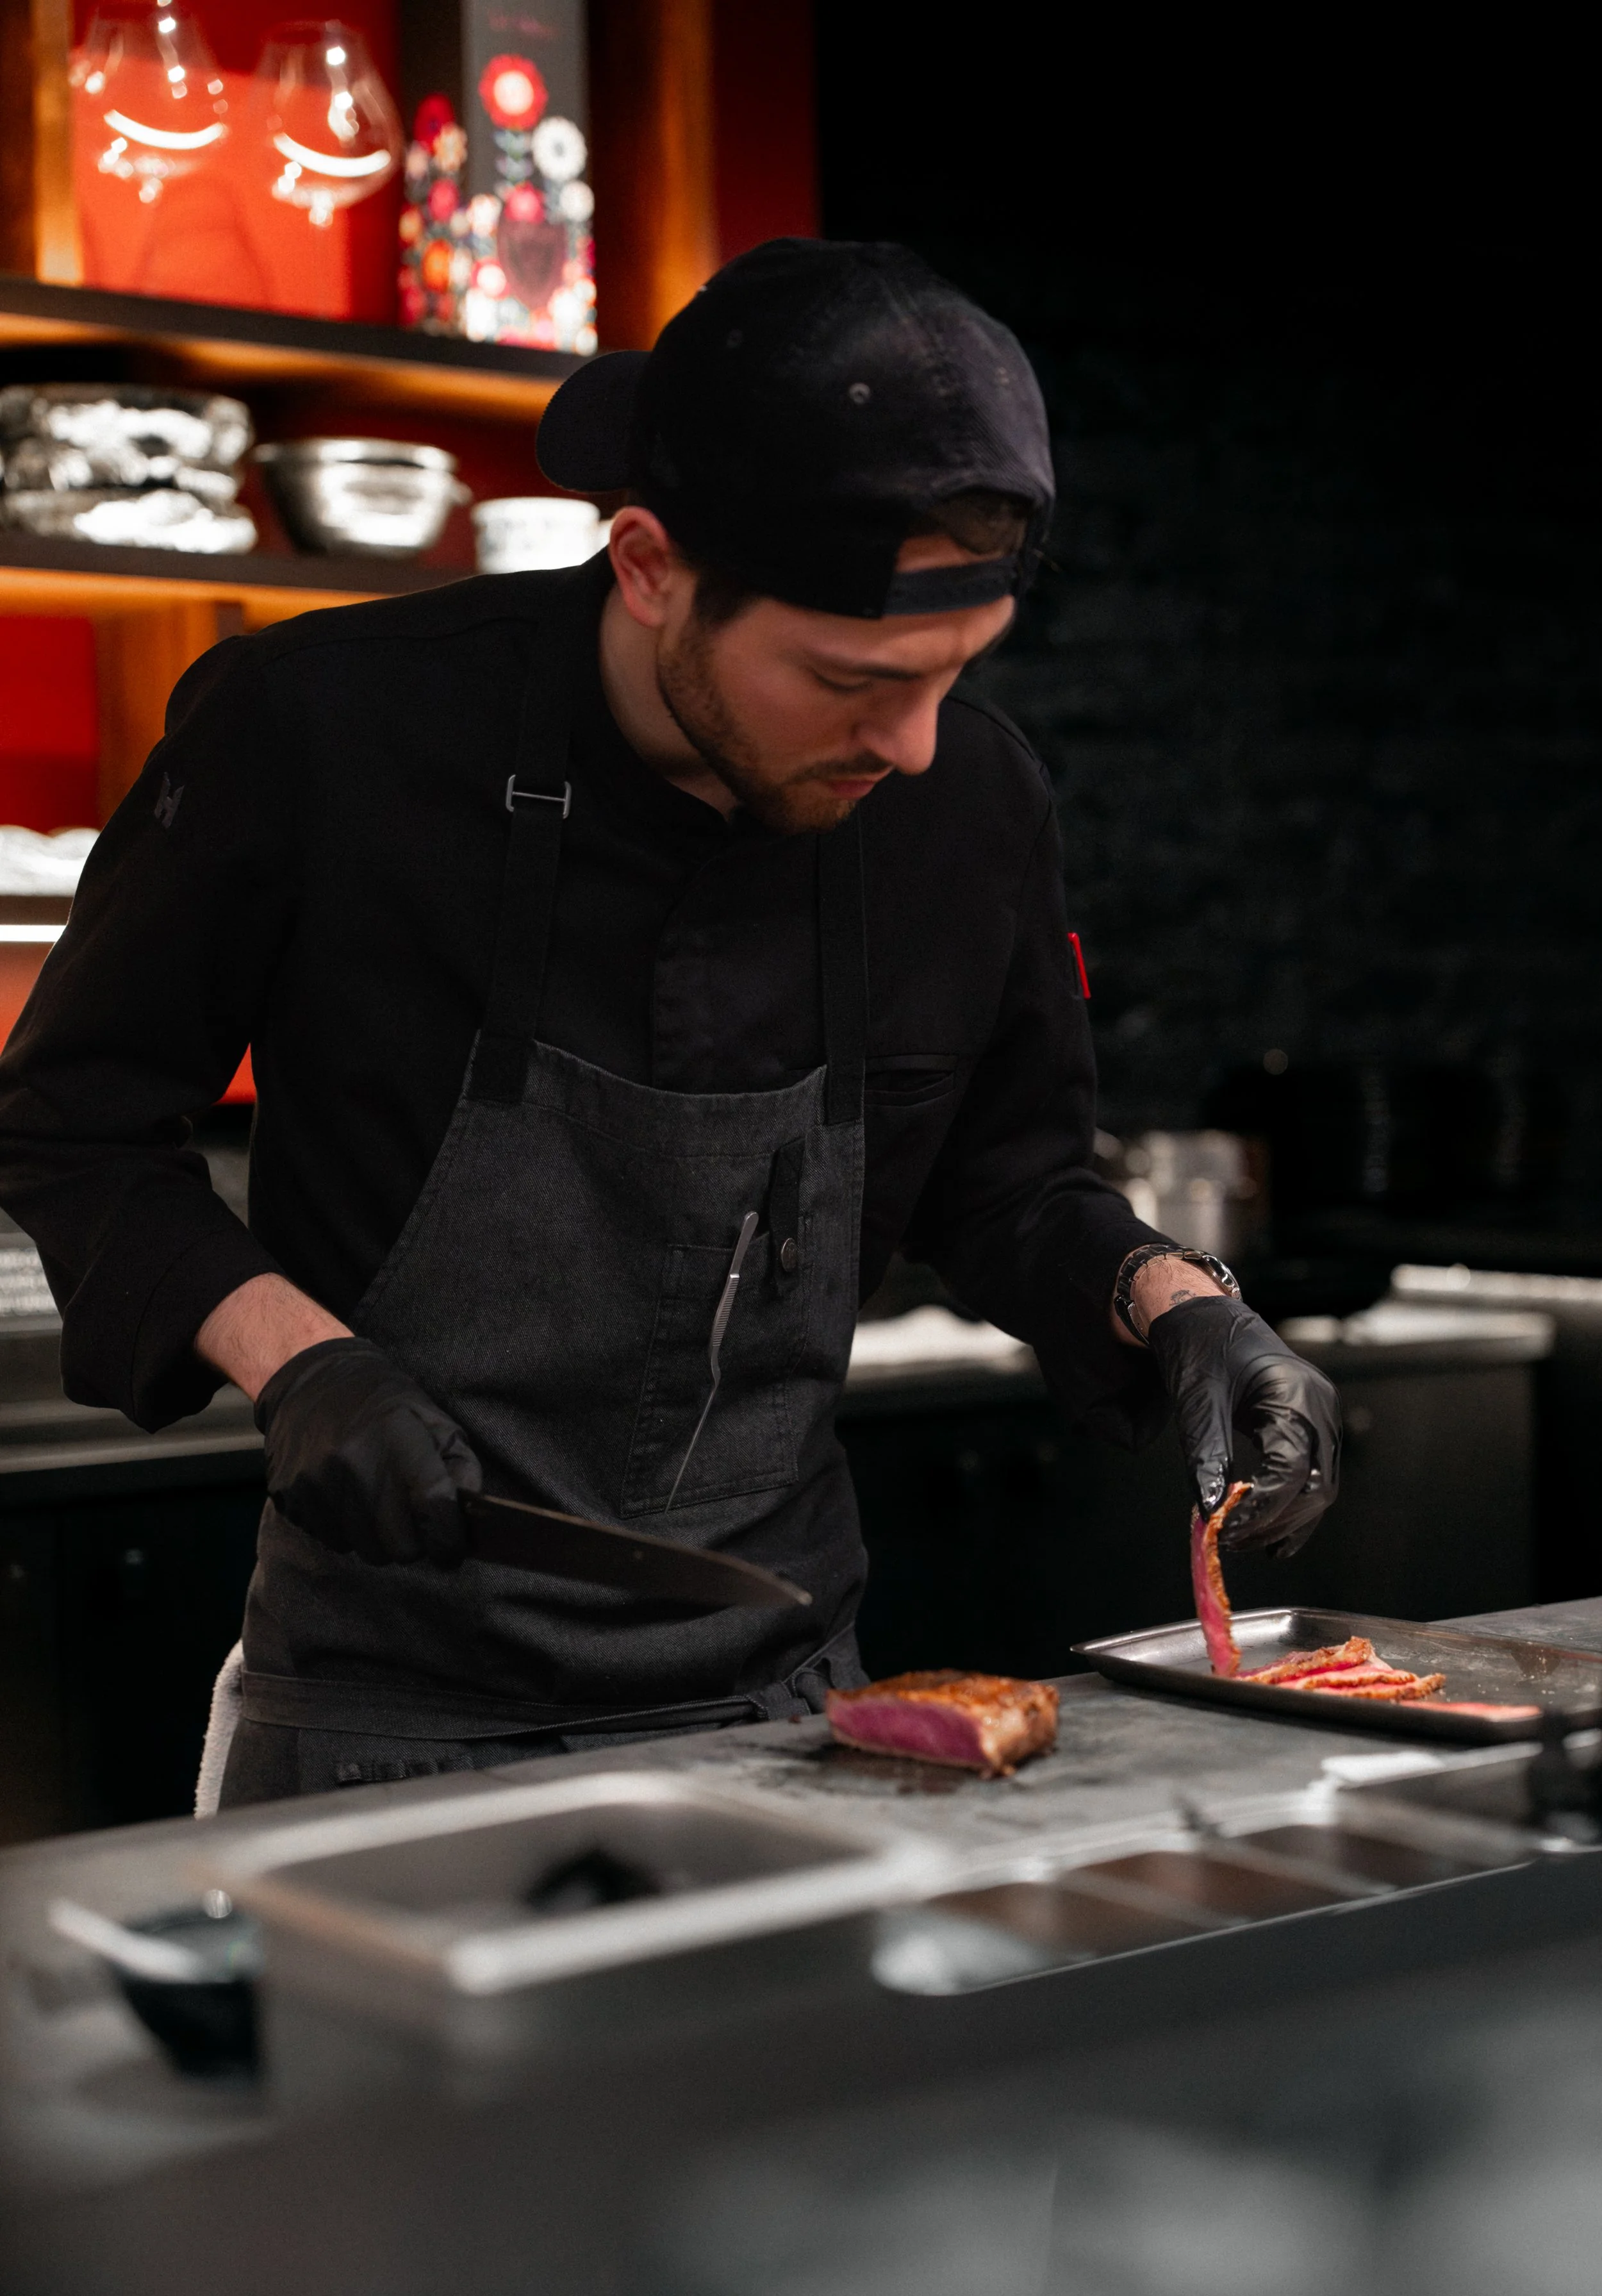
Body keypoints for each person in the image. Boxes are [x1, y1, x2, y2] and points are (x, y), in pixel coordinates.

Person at [0, 240, 1339, 1806]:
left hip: (790, 1708)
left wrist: (1177, 1306)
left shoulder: (964, 804)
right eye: (845, 680)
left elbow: (1009, 1180)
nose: (908, 747)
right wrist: (303, 1366)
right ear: (646, 564)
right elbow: (71, 1127)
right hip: (384, 1718)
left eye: (951, 676)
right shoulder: (315, 734)